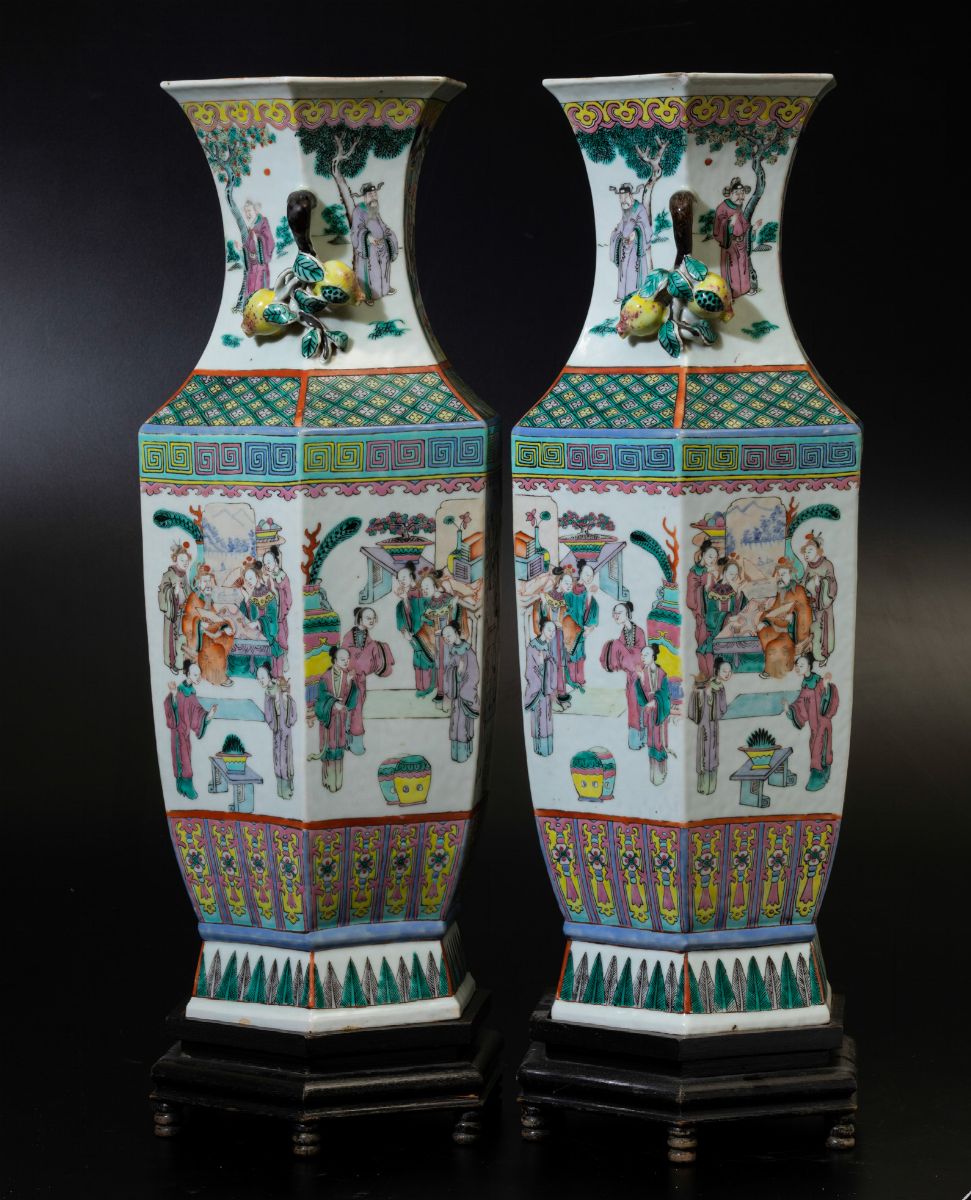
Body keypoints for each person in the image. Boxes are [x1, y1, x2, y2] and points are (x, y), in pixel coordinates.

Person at [341, 607, 394, 755]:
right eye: (368, 618)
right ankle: (349, 743)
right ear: (360, 619)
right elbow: (345, 658)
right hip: (347, 679)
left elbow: (371, 664)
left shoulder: (370, 642)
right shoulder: (348, 637)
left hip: (360, 681)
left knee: (356, 711)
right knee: (349, 710)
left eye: (373, 618)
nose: (372, 621)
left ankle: (353, 744)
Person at [786, 652, 840, 791]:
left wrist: (826, 684)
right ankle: (822, 772)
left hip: (823, 723)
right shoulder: (805, 685)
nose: (798, 668)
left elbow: (828, 695)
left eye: (801, 665)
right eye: (797, 665)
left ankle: (818, 775)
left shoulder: (818, 681)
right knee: (814, 746)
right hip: (814, 726)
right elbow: (800, 705)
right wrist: (790, 710)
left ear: (809, 666)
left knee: (819, 748)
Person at [164, 661, 215, 800]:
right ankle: (185, 787)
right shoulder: (179, 690)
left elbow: (197, 711)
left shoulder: (191, 693)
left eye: (199, 674)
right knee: (183, 761)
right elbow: (170, 706)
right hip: (177, 733)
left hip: (185, 734)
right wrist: (174, 694)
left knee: (186, 759)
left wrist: (207, 716)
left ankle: (182, 788)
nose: (199, 677)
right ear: (188, 674)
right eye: (195, 675)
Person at [600, 601, 647, 745]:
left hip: (641, 675)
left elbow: (641, 655)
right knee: (633, 708)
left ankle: (644, 739)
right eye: (614, 613)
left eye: (619, 613)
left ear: (627, 614)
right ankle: (635, 742)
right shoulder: (623, 634)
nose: (616, 616)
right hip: (631, 677)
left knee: (642, 707)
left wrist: (625, 653)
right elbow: (622, 656)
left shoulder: (639, 632)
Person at [531, 568, 579, 708]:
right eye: (567, 582)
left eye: (571, 583)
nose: (569, 585)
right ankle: (551, 694)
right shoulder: (547, 596)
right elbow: (541, 616)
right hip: (550, 635)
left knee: (560, 664)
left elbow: (570, 618)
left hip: (561, 635)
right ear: (559, 582)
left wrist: (562, 625)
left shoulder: (566, 599)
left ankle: (561, 692)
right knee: (550, 662)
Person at [757, 557, 812, 679]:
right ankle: (773, 666)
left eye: (783, 574)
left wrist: (793, 616)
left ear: (790, 574)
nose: (780, 577)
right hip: (778, 627)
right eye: (778, 575)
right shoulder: (780, 590)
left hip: (790, 632)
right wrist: (765, 621)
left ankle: (774, 670)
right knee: (763, 632)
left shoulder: (798, 590)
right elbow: (775, 609)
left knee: (774, 647)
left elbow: (805, 610)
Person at [312, 647, 358, 793]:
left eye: (348, 659)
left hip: (341, 719)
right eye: (343, 659)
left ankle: (338, 782)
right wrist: (332, 703)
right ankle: (329, 782)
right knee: (329, 749)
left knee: (339, 749)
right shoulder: (325, 677)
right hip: (329, 720)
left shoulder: (347, 676)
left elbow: (349, 699)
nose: (346, 662)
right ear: (335, 660)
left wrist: (349, 683)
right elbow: (321, 699)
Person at [182, 564, 235, 687]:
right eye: (205, 581)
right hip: (199, 636)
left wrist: (224, 626)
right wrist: (199, 624)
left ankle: (220, 672)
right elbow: (188, 619)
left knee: (227, 634)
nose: (208, 584)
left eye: (209, 581)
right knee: (216, 651)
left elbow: (214, 617)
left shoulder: (208, 597)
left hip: (211, 631)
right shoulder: (194, 598)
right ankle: (217, 678)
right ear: (198, 582)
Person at [687, 658, 733, 794]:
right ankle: (703, 787)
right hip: (704, 726)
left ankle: (711, 787)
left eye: (729, 671)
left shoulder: (720, 687)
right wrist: (704, 695)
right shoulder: (706, 686)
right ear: (717, 671)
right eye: (724, 671)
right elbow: (695, 709)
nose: (727, 674)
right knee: (705, 754)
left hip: (714, 727)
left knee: (712, 755)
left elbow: (722, 710)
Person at [350, 182, 399, 302]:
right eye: (370, 194)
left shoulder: (373, 210)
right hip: (369, 248)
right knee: (372, 272)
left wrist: (389, 233)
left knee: (384, 269)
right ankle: (368, 295)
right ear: (364, 196)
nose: (373, 197)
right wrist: (368, 237)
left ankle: (385, 289)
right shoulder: (358, 211)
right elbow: (357, 230)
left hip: (382, 246)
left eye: (375, 194)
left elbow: (382, 225)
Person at [394, 562, 435, 696]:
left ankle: (428, 687)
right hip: (413, 634)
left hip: (426, 632)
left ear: (411, 576)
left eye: (404, 578)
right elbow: (403, 615)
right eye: (399, 579)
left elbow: (424, 611)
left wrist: (406, 600)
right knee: (418, 657)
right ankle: (420, 687)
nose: (401, 581)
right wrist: (404, 631)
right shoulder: (404, 596)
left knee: (426, 657)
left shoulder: (421, 591)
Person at [257, 663, 297, 800]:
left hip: (284, 726)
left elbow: (292, 706)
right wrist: (273, 724)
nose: (260, 681)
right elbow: (268, 714)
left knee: (286, 757)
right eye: (258, 678)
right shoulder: (267, 693)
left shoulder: (281, 686)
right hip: (276, 729)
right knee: (277, 758)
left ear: (269, 676)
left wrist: (285, 697)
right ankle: (280, 789)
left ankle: (287, 789)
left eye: (262, 677)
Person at [442, 621, 479, 763]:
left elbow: (474, 676)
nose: (446, 638)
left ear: (456, 633)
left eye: (448, 635)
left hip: (465, 696)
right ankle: (455, 755)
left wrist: (460, 677)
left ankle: (464, 755)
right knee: (455, 725)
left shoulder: (468, 652)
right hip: (457, 697)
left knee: (463, 727)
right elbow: (448, 672)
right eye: (444, 636)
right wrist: (456, 673)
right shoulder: (453, 651)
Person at [633, 644, 671, 782]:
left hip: (660, 713)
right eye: (642, 655)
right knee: (651, 742)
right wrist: (641, 679)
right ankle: (653, 774)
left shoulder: (662, 674)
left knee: (659, 741)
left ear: (653, 656)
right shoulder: (642, 673)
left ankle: (662, 772)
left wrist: (655, 701)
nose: (642, 657)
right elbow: (640, 695)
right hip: (650, 714)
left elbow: (666, 694)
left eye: (646, 655)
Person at [609, 183, 652, 301]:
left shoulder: (639, 209)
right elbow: (622, 225)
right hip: (624, 247)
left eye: (624, 197)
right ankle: (622, 296)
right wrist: (616, 233)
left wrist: (635, 233)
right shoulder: (625, 210)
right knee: (623, 273)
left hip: (636, 247)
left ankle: (634, 297)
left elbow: (645, 226)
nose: (622, 200)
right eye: (620, 198)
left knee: (632, 272)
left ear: (630, 196)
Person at [700, 556, 747, 664]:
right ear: (725, 572)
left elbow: (740, 612)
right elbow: (710, 616)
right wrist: (726, 616)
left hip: (733, 628)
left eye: (736, 574)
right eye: (731, 574)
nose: (734, 577)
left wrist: (738, 594)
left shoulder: (736, 589)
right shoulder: (714, 590)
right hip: (718, 627)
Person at [713, 177, 753, 298]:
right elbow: (718, 226)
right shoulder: (722, 207)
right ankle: (732, 293)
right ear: (730, 193)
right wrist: (730, 223)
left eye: (742, 193)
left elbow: (744, 223)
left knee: (743, 266)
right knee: (733, 269)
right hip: (730, 244)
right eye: (737, 193)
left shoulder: (737, 208)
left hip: (740, 244)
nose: (740, 196)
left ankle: (744, 290)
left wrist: (752, 228)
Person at [801, 532, 837, 665]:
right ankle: (812, 653)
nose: (806, 554)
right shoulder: (809, 567)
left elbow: (832, 582)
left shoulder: (827, 564)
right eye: (805, 552)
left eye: (809, 551)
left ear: (818, 551)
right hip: (812, 605)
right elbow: (803, 582)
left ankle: (824, 654)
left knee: (824, 630)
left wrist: (821, 583)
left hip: (824, 606)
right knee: (813, 628)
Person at [687, 537, 720, 678]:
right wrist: (707, 582)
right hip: (701, 614)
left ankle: (711, 675)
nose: (713, 560)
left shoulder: (711, 571)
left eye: (715, 557)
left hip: (713, 614)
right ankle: (705, 675)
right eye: (710, 556)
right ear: (702, 555)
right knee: (702, 645)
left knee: (711, 645)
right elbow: (691, 599)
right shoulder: (694, 572)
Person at [524, 620, 557, 756]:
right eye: (549, 629)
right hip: (538, 691)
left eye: (554, 631)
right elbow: (529, 672)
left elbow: (551, 665)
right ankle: (540, 750)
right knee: (540, 720)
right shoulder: (532, 647)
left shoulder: (546, 645)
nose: (552, 633)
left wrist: (548, 664)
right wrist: (542, 665)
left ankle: (548, 748)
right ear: (542, 629)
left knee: (547, 720)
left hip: (545, 690)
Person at [563, 560, 599, 688]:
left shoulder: (588, 593)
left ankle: (579, 680)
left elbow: (591, 612)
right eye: (586, 574)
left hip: (581, 630)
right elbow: (565, 607)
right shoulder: (569, 590)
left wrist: (590, 628)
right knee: (570, 654)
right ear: (581, 572)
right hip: (569, 629)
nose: (588, 577)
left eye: (591, 576)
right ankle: (571, 680)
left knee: (580, 654)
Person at [240, 563, 282, 670]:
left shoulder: (269, 596)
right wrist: (246, 600)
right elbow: (247, 617)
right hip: (255, 639)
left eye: (250, 578)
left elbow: (272, 619)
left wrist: (258, 622)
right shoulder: (251, 595)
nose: (248, 582)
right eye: (246, 580)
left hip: (267, 641)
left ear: (258, 577)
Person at [158, 541, 192, 672]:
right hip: (172, 613)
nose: (185, 563)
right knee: (172, 640)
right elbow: (162, 593)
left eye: (187, 560)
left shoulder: (184, 575)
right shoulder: (168, 575)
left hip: (183, 613)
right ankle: (172, 664)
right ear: (175, 559)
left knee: (183, 639)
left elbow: (188, 592)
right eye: (182, 560)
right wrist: (174, 592)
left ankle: (183, 663)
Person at [261, 545, 292, 676]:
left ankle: (284, 659)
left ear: (275, 561)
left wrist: (284, 611)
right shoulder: (267, 578)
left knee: (282, 640)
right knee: (273, 642)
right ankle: (275, 670)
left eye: (269, 562)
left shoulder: (283, 577)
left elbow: (289, 598)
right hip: (271, 617)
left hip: (280, 616)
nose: (267, 565)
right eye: (265, 563)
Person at [242, 199, 274, 296]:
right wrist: (243, 248)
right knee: (250, 288)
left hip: (260, 264)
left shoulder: (263, 222)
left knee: (259, 288)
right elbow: (248, 245)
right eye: (246, 211)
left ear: (255, 210)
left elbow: (269, 240)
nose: (248, 214)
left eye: (249, 210)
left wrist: (258, 238)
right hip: (252, 265)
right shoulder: (249, 226)